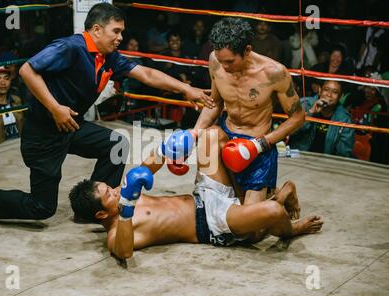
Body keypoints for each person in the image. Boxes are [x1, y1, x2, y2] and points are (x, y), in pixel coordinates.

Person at [0, 3, 214, 228]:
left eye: (122, 32)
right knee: (42, 208)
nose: (120, 37)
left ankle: (93, 206)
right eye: (116, 31)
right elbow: (26, 70)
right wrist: (55, 107)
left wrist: (186, 89)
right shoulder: (70, 47)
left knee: (115, 143)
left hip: (71, 127)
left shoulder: (108, 57)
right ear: (97, 30)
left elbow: (145, 73)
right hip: (44, 135)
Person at [69, 130, 323, 259]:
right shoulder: (116, 235)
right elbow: (124, 253)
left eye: (109, 187)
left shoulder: (124, 190)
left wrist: (167, 149)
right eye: (108, 194)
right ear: (102, 213)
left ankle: (266, 198)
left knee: (213, 136)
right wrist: (126, 210)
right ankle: (290, 227)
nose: (114, 190)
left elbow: (148, 166)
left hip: (203, 194)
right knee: (274, 212)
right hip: (212, 224)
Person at [191, 17, 305, 206]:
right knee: (211, 206)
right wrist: (193, 133)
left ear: (247, 51)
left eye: (230, 61)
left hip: (258, 145)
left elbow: (298, 117)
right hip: (226, 138)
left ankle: (284, 192)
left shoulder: (274, 73)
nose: (225, 67)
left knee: (250, 233)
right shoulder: (215, 60)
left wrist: (260, 144)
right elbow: (216, 103)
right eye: (221, 61)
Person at [289, 80, 355, 158]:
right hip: (299, 157)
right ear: (320, 91)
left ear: (340, 96)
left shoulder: (345, 119)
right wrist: (311, 113)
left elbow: (343, 153)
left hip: (325, 163)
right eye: (326, 90)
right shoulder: (304, 104)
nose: (329, 95)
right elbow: (290, 132)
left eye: (335, 92)